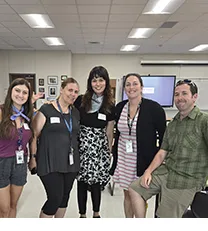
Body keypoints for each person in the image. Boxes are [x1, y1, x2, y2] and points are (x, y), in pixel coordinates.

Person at [129, 79, 208, 218]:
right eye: (177, 94)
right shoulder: (173, 124)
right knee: (134, 189)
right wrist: (148, 171)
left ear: (194, 97)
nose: (180, 98)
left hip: (187, 179)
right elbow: (162, 152)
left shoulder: (203, 121)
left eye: (184, 93)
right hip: (167, 171)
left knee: (163, 217)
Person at [109, 73, 166, 218]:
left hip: (142, 160)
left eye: (135, 83)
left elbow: (165, 138)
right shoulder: (120, 107)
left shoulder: (154, 108)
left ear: (141, 87)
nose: (131, 87)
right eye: (128, 84)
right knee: (127, 195)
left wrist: (159, 161)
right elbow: (117, 132)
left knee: (139, 195)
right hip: (123, 158)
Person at [28, 78, 80, 218]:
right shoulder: (46, 109)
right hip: (49, 161)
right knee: (55, 198)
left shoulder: (75, 112)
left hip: (70, 163)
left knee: (64, 198)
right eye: (70, 90)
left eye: (76, 92)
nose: (73, 94)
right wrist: (32, 158)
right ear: (61, 89)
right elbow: (34, 135)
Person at [74, 66, 115, 218]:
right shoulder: (81, 100)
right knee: (82, 182)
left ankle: (96, 213)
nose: (97, 84)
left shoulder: (110, 104)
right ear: (90, 82)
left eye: (101, 80)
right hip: (82, 147)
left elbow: (109, 131)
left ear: (106, 82)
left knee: (96, 182)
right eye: (94, 80)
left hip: (99, 148)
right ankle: (82, 215)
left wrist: (109, 152)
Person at [0, 78, 34, 218]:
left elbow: (33, 138)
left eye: (25, 92)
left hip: (20, 163)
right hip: (2, 162)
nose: (21, 95)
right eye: (17, 90)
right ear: (10, 92)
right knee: (4, 209)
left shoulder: (28, 115)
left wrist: (32, 158)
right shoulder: (2, 111)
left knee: (14, 205)